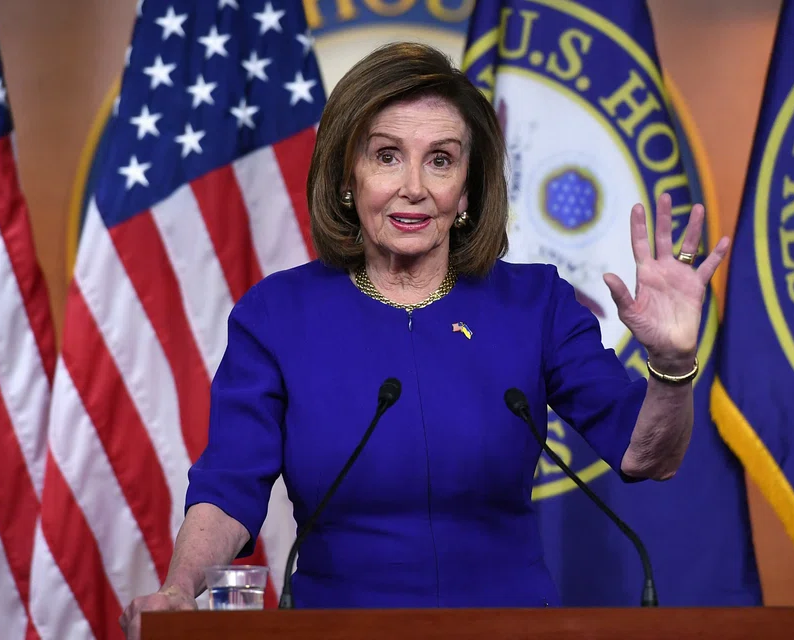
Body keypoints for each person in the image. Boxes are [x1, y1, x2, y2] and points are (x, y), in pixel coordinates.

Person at [120, 41, 728, 636]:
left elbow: (650, 454)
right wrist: (178, 590)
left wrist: (673, 363)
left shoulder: (534, 303)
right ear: (346, 176)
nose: (414, 186)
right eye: (387, 156)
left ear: (466, 189)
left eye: (441, 159)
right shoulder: (277, 315)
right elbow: (229, 488)